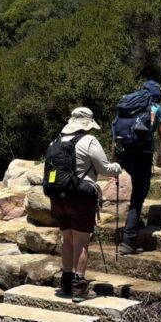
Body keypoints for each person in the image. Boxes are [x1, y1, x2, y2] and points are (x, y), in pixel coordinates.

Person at [46, 107, 120, 302]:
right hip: (80, 197)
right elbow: (104, 168)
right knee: (82, 243)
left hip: (57, 198)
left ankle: (66, 283)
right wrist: (118, 167)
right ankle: (80, 288)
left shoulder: (55, 141)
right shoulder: (88, 141)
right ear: (88, 123)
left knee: (67, 240)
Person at [113, 81, 161, 255]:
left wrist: (114, 160)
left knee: (137, 189)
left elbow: (115, 134)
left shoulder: (128, 105)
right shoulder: (155, 109)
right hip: (142, 154)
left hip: (124, 153)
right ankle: (128, 240)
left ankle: (134, 222)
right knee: (139, 194)